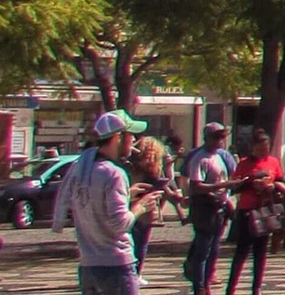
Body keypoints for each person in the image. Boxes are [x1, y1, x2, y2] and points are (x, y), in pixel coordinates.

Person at [55, 109, 143, 295]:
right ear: (118, 137)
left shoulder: (82, 169)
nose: (135, 140)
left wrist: (127, 195)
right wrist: (139, 208)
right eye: (131, 135)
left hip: (88, 265)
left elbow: (93, 206)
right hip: (116, 265)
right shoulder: (114, 173)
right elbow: (119, 224)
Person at [223, 129, 285, 295]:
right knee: (242, 251)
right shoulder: (245, 163)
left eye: (266, 148)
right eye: (260, 148)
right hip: (247, 211)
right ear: (253, 148)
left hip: (265, 210)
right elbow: (235, 187)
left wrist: (272, 186)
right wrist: (252, 184)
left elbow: (281, 182)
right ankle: (231, 288)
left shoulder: (273, 162)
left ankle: (257, 288)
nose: (263, 152)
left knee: (260, 252)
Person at [181, 122, 236, 295]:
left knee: (214, 248)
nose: (221, 140)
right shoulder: (200, 157)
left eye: (223, 136)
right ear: (207, 138)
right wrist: (222, 186)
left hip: (220, 208)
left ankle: (206, 280)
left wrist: (227, 197)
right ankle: (200, 287)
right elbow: (195, 186)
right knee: (203, 249)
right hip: (205, 209)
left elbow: (231, 176)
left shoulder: (221, 156)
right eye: (217, 136)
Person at [125, 136, 178, 276]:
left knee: (135, 244)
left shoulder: (130, 165)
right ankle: (135, 273)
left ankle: (134, 273)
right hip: (142, 211)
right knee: (139, 244)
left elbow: (164, 189)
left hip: (136, 210)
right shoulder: (148, 169)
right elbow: (164, 188)